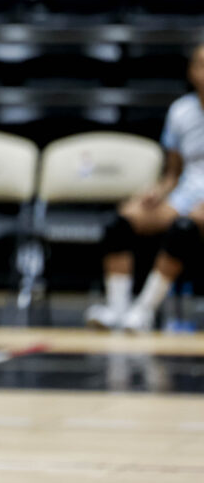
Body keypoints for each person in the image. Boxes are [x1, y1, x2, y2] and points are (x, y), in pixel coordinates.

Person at [86, 43, 204, 332]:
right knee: (121, 221)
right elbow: (173, 173)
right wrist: (156, 192)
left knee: (185, 228)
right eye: (201, 65)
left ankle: (144, 310)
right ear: (191, 71)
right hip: (187, 195)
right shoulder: (181, 112)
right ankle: (117, 310)